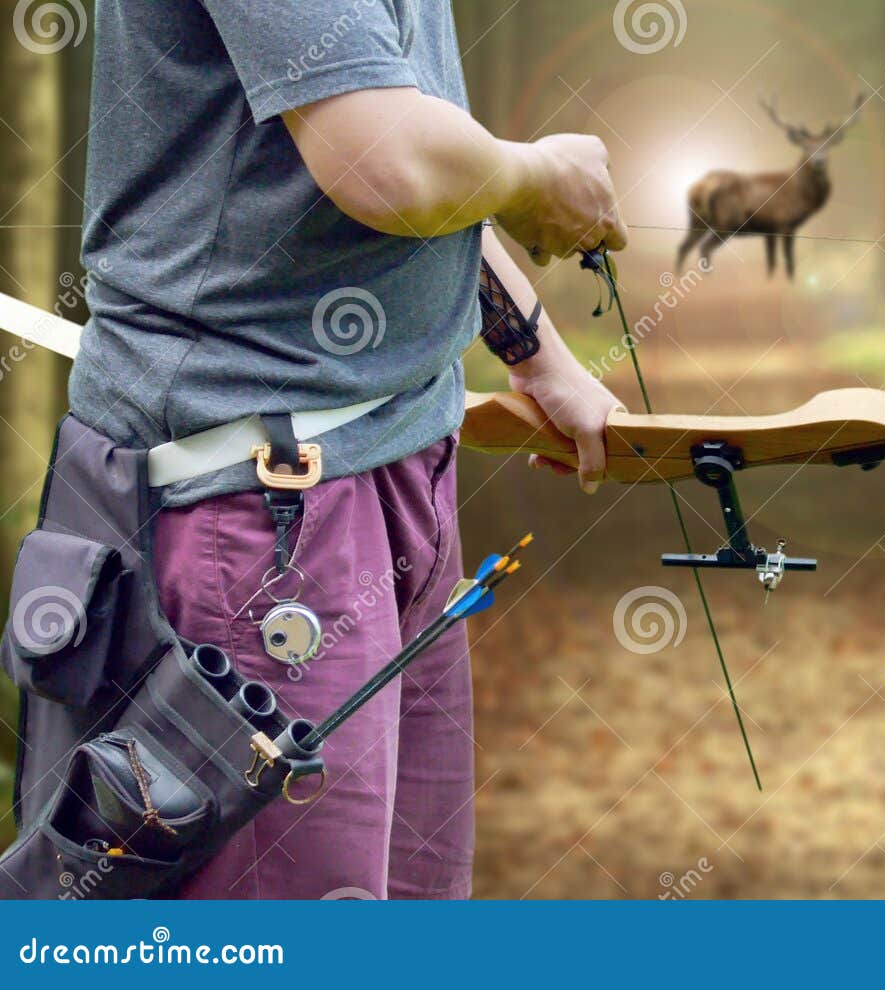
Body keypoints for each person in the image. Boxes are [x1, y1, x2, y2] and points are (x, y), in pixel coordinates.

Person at [65, 0, 624, 898]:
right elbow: (386, 159)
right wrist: (539, 174)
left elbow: (399, 116)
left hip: (387, 462)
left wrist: (537, 352)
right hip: (256, 508)